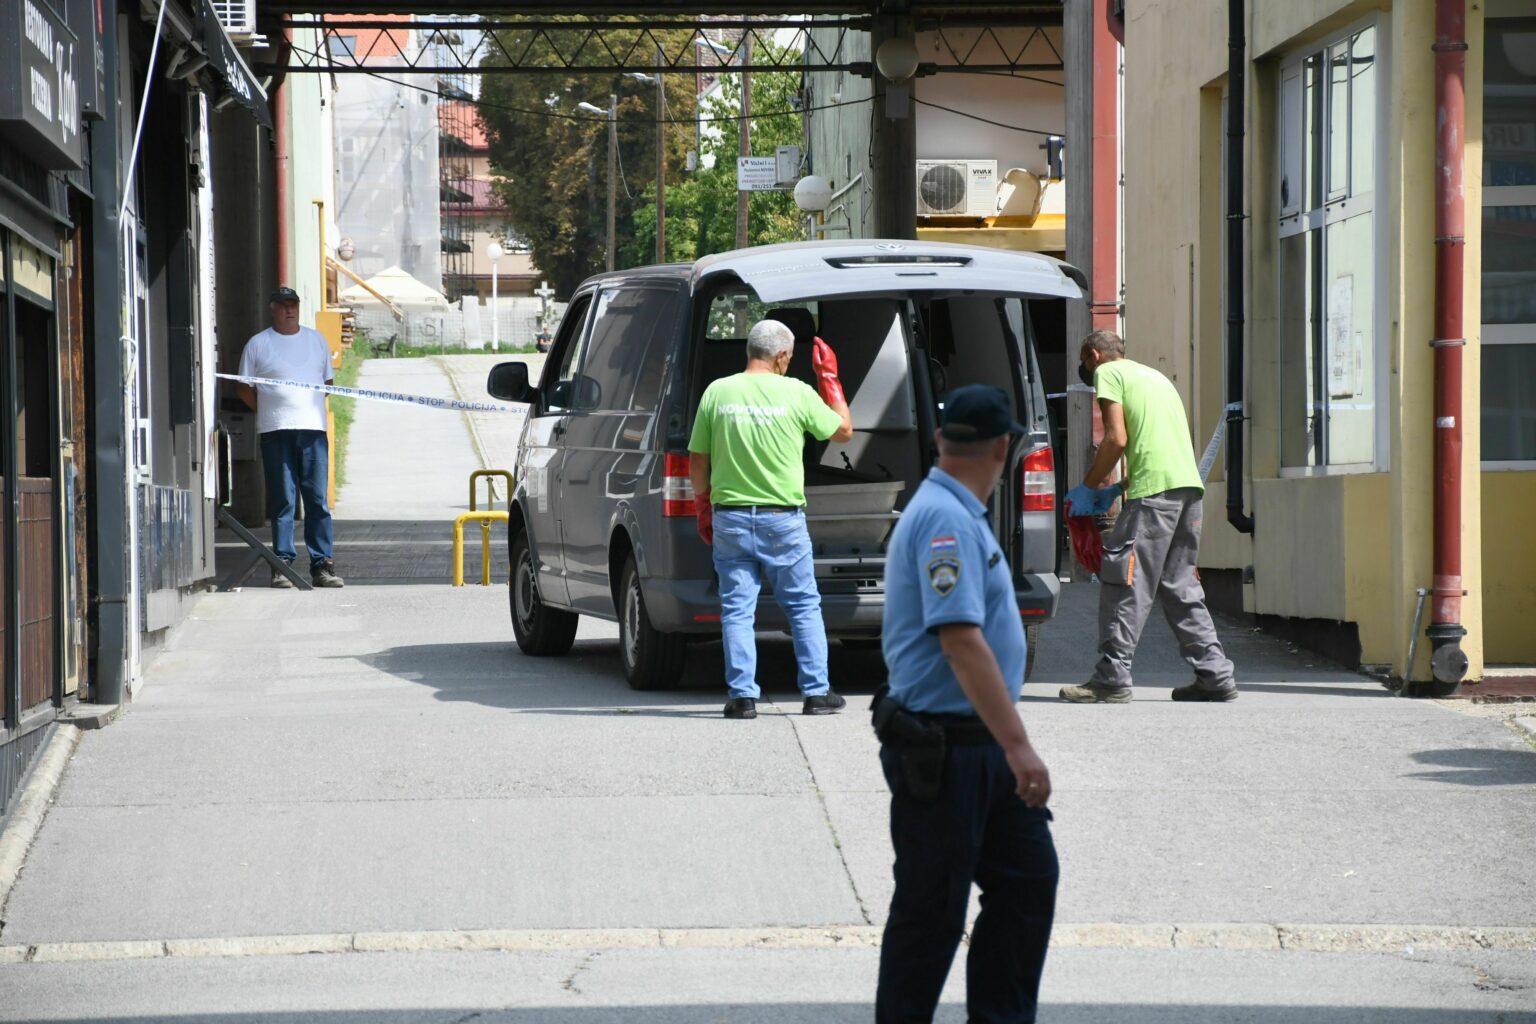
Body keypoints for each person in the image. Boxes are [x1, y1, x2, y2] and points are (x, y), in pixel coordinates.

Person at [874, 384, 1057, 1023]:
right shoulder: (946, 519)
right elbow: (960, 640)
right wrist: (1018, 744)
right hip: (948, 749)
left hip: (973, 744)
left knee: (1027, 881)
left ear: (940, 441)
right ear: (1003, 447)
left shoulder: (951, 510)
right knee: (931, 913)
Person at [687, 319, 854, 719]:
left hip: (730, 518)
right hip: (783, 521)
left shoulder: (717, 392)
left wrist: (702, 504)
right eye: (789, 357)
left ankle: (742, 697)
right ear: (781, 355)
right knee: (802, 605)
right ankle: (816, 694)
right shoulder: (797, 392)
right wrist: (828, 378)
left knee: (737, 608)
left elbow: (698, 459)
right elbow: (844, 431)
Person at [1060, 328, 1235, 703]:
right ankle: (1215, 674)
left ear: (1093, 355)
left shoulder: (1109, 373)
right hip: (1187, 490)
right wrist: (1118, 489)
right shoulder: (1156, 378)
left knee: (1125, 581)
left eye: (1085, 363)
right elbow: (1158, 444)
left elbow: (1116, 439)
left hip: (1154, 496)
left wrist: (1088, 487)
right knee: (1180, 585)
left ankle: (1111, 677)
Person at [237, 286, 344, 589]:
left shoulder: (316, 340)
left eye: (293, 304)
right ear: (272, 308)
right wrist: (267, 410)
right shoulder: (258, 344)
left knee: (317, 500)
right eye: (283, 305)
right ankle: (281, 563)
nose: (289, 310)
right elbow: (243, 387)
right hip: (275, 430)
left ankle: (322, 564)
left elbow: (328, 382)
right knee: (283, 499)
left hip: (312, 430)